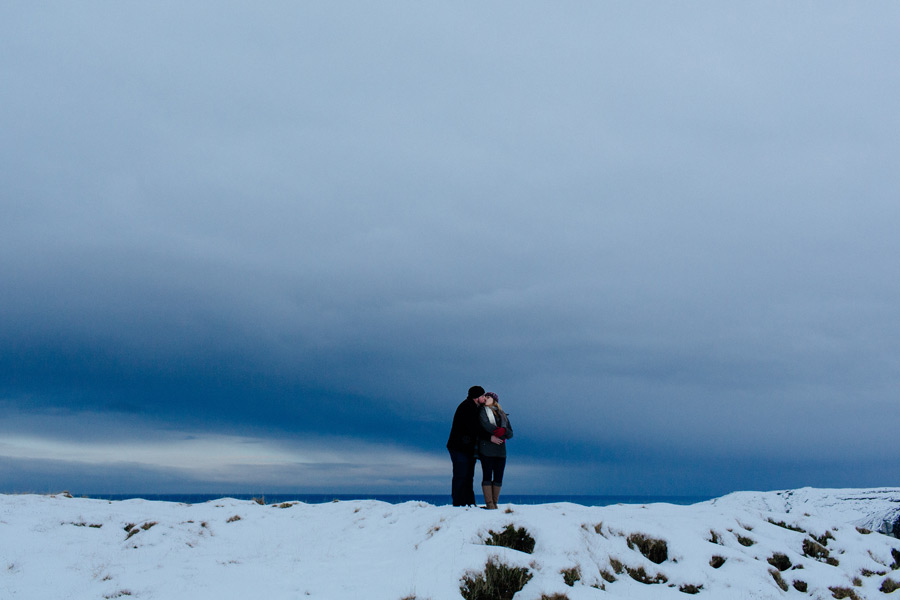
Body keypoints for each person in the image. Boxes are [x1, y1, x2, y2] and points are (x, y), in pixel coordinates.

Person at [446, 385, 488, 507]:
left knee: (468, 476)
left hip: (466, 448)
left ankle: (468, 502)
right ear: (477, 397)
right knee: (461, 475)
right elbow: (475, 428)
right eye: (483, 396)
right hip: (459, 448)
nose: (484, 398)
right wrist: (490, 436)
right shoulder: (468, 407)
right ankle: (459, 504)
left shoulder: (473, 407)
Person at [477, 391, 513, 509]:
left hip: (501, 451)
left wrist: (504, 432)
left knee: (498, 476)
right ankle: (489, 504)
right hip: (487, 449)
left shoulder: (502, 414)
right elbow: (485, 425)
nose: (486, 398)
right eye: (485, 397)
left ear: (494, 400)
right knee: (487, 475)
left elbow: (510, 433)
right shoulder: (482, 411)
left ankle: (495, 503)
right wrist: (496, 431)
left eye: (488, 397)